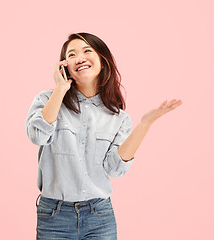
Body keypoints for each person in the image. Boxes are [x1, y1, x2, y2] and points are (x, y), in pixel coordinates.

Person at [25, 32, 183, 239]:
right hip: (54, 216)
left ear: (102, 61)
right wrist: (61, 88)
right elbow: (38, 136)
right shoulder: (48, 99)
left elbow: (115, 168)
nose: (79, 58)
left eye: (87, 51)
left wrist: (145, 123)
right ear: (64, 66)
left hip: (99, 216)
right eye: (71, 55)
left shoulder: (118, 117)